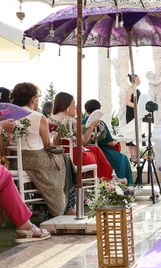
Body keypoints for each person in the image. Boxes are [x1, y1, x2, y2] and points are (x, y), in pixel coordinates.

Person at [10, 82, 73, 217]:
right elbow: (47, 144)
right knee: (65, 160)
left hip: (14, 161)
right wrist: (54, 137)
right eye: (38, 97)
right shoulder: (37, 116)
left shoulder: (8, 115)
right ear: (33, 99)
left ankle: (41, 205)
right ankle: (64, 206)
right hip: (36, 159)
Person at [49, 92, 114, 181]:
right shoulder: (70, 121)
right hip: (72, 158)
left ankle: (103, 180)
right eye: (74, 103)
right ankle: (107, 180)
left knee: (95, 150)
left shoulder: (48, 119)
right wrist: (92, 126)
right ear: (67, 105)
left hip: (56, 155)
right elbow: (83, 141)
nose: (75, 106)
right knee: (96, 151)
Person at [84, 99, 133, 185]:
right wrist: (116, 143)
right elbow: (109, 141)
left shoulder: (81, 122)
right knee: (123, 158)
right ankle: (124, 185)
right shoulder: (100, 123)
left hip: (86, 150)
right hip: (102, 151)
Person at [124, 74, 141, 160]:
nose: (140, 80)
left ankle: (137, 156)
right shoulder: (130, 89)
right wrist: (137, 106)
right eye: (138, 79)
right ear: (134, 80)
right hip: (131, 114)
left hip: (137, 113)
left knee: (136, 134)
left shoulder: (136, 90)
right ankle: (133, 156)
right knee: (131, 134)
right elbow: (127, 102)